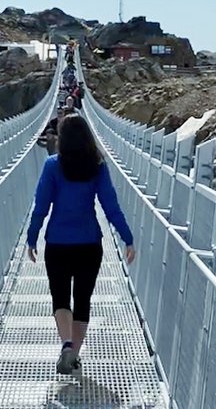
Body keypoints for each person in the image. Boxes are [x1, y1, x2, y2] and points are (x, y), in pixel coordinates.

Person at [27, 114, 135, 376]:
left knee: (61, 297)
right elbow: (111, 207)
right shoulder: (97, 167)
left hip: (58, 243)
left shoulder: (52, 166)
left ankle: (65, 345)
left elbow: (41, 206)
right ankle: (74, 355)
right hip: (89, 244)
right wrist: (127, 238)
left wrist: (32, 237)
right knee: (83, 299)